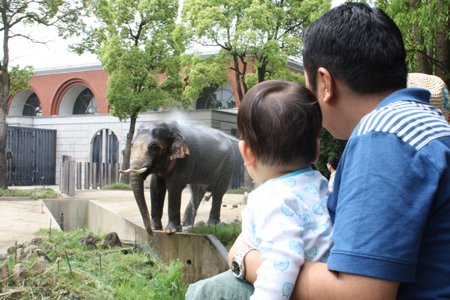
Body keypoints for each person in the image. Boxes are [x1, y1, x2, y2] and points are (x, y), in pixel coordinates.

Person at [186, 3, 450, 300]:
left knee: (209, 292)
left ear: (325, 82)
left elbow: (360, 294)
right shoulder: (422, 121)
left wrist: (245, 259)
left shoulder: (384, 137)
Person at [234, 80, 332, 299]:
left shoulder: (271, 199)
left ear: (246, 153)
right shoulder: (319, 183)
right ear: (316, 150)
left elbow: (281, 264)